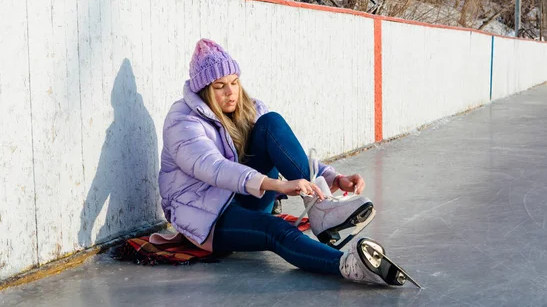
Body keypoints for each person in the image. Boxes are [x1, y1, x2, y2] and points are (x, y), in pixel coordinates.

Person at [157, 38, 417, 286]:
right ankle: (349, 266)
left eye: (235, 82)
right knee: (274, 228)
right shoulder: (182, 120)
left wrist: (334, 178)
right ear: (204, 90)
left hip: (240, 195)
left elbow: (289, 152)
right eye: (219, 86)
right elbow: (212, 167)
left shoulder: (249, 108)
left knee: (271, 123)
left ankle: (321, 206)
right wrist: (276, 186)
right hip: (206, 215)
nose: (231, 92)